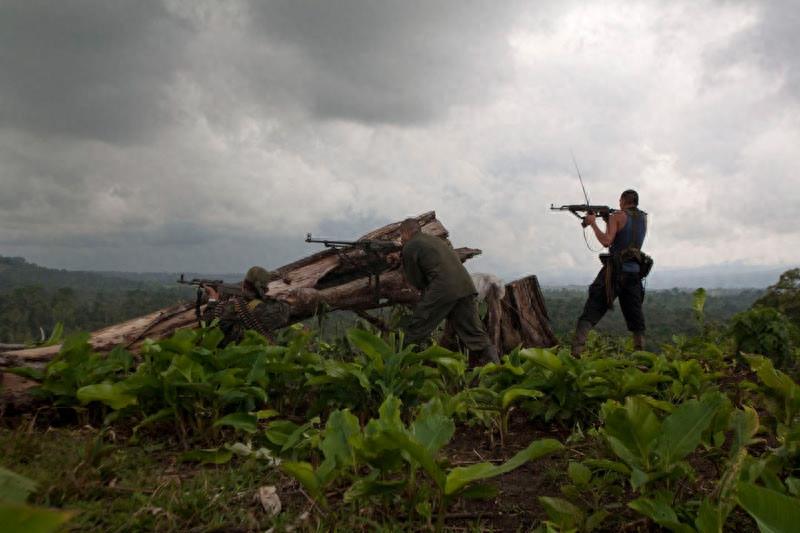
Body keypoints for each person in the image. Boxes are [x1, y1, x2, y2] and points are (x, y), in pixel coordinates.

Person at [394, 218, 499, 364]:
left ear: (405, 232)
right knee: (473, 332)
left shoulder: (410, 245)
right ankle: (496, 368)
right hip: (465, 286)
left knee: (417, 326)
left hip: (442, 288)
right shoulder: (434, 240)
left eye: (401, 235)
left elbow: (417, 280)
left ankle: (400, 367)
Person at [572, 189, 649, 356]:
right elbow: (622, 238)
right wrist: (608, 220)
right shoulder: (644, 218)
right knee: (636, 317)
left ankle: (577, 351)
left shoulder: (617, 216)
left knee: (592, 308)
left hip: (614, 273)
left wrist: (593, 222)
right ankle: (641, 357)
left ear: (622, 200)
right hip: (634, 274)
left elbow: (607, 241)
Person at [203, 266, 292, 346]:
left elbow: (209, 322)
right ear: (265, 289)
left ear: (244, 283)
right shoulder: (278, 309)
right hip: (263, 354)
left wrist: (212, 299)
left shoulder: (229, 307)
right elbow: (285, 306)